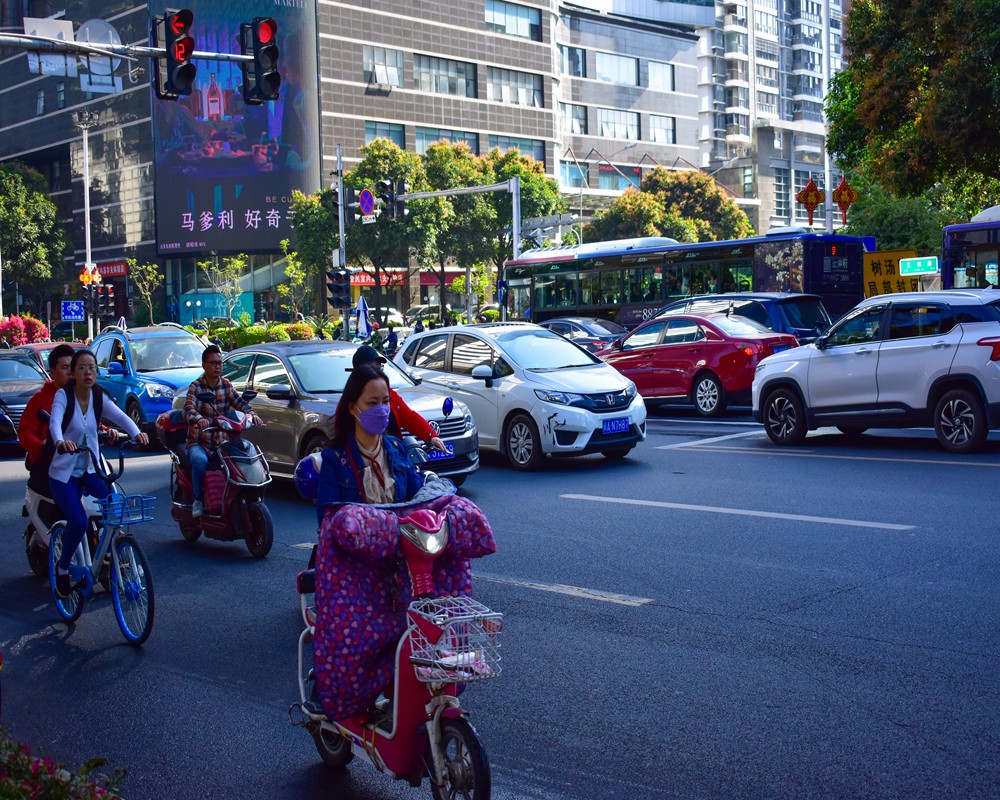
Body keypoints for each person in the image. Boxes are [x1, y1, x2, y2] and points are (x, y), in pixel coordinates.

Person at [49, 349, 149, 597]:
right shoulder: (64, 396)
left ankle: (105, 553)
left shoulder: (98, 397)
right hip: (63, 476)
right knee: (80, 521)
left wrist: (137, 434)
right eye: (82, 368)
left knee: (115, 504)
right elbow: (54, 422)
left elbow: (121, 417)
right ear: (72, 372)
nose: (88, 373)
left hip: (90, 470)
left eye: (92, 368)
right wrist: (61, 441)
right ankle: (62, 569)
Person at [315, 363, 424, 522]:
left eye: (385, 401)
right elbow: (328, 518)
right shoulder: (335, 459)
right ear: (352, 408)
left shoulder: (397, 448)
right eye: (372, 403)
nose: (381, 409)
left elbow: (420, 499)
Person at [184, 345, 262, 519]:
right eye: (213, 363)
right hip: (199, 443)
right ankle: (198, 500)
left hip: (220, 443)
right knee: (200, 461)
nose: (217, 366)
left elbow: (240, 402)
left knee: (241, 459)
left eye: (219, 363)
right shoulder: (196, 387)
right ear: (204, 365)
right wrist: (198, 419)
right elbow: (188, 408)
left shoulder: (226, 385)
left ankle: (232, 499)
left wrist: (252, 414)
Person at [350, 345, 446, 454]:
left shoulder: (390, 393)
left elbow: (409, 417)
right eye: (372, 402)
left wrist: (431, 436)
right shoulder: (352, 398)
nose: (377, 371)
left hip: (393, 456)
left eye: (379, 367)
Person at [18, 343, 76, 470]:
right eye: (65, 367)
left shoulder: (81, 394)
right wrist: (41, 445)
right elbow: (25, 432)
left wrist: (107, 430)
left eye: (73, 367)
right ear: (53, 372)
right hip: (48, 462)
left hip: (79, 460)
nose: (70, 372)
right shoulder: (39, 399)